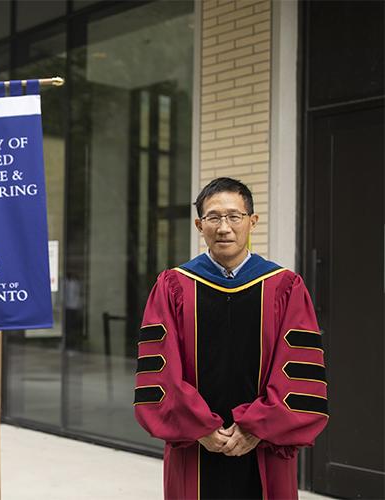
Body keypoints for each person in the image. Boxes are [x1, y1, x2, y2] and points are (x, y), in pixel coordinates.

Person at [133, 178, 328, 499]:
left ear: (252, 221)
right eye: (214, 217)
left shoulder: (285, 286)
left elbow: (298, 372)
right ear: (199, 224)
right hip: (194, 443)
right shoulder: (173, 286)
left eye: (234, 216)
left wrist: (257, 427)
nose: (224, 227)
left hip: (264, 442)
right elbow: (160, 370)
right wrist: (201, 428)